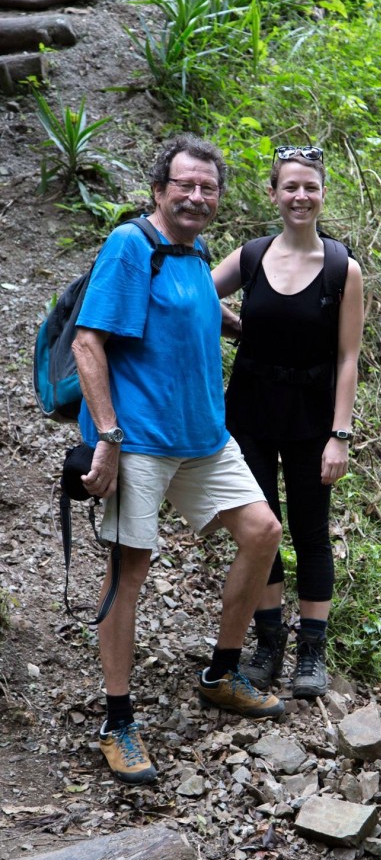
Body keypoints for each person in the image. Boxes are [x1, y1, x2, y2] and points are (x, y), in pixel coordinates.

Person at [72, 133, 285, 786]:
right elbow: (88, 342)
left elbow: (188, 307)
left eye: (207, 187)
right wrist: (107, 437)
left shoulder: (191, 252)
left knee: (263, 531)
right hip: (138, 439)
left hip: (204, 437)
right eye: (184, 185)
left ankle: (221, 673)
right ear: (159, 190)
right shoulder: (130, 245)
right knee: (128, 572)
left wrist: (238, 323)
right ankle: (116, 721)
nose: (196, 196)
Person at [212, 144, 364, 700]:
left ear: (323, 194)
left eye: (310, 187)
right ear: (273, 193)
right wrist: (236, 326)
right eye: (290, 187)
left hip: (312, 418)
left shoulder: (342, 268)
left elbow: (348, 357)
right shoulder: (251, 257)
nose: (301, 196)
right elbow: (193, 296)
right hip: (249, 413)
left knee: (310, 529)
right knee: (262, 530)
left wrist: (339, 435)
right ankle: (268, 643)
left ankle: (311, 651)